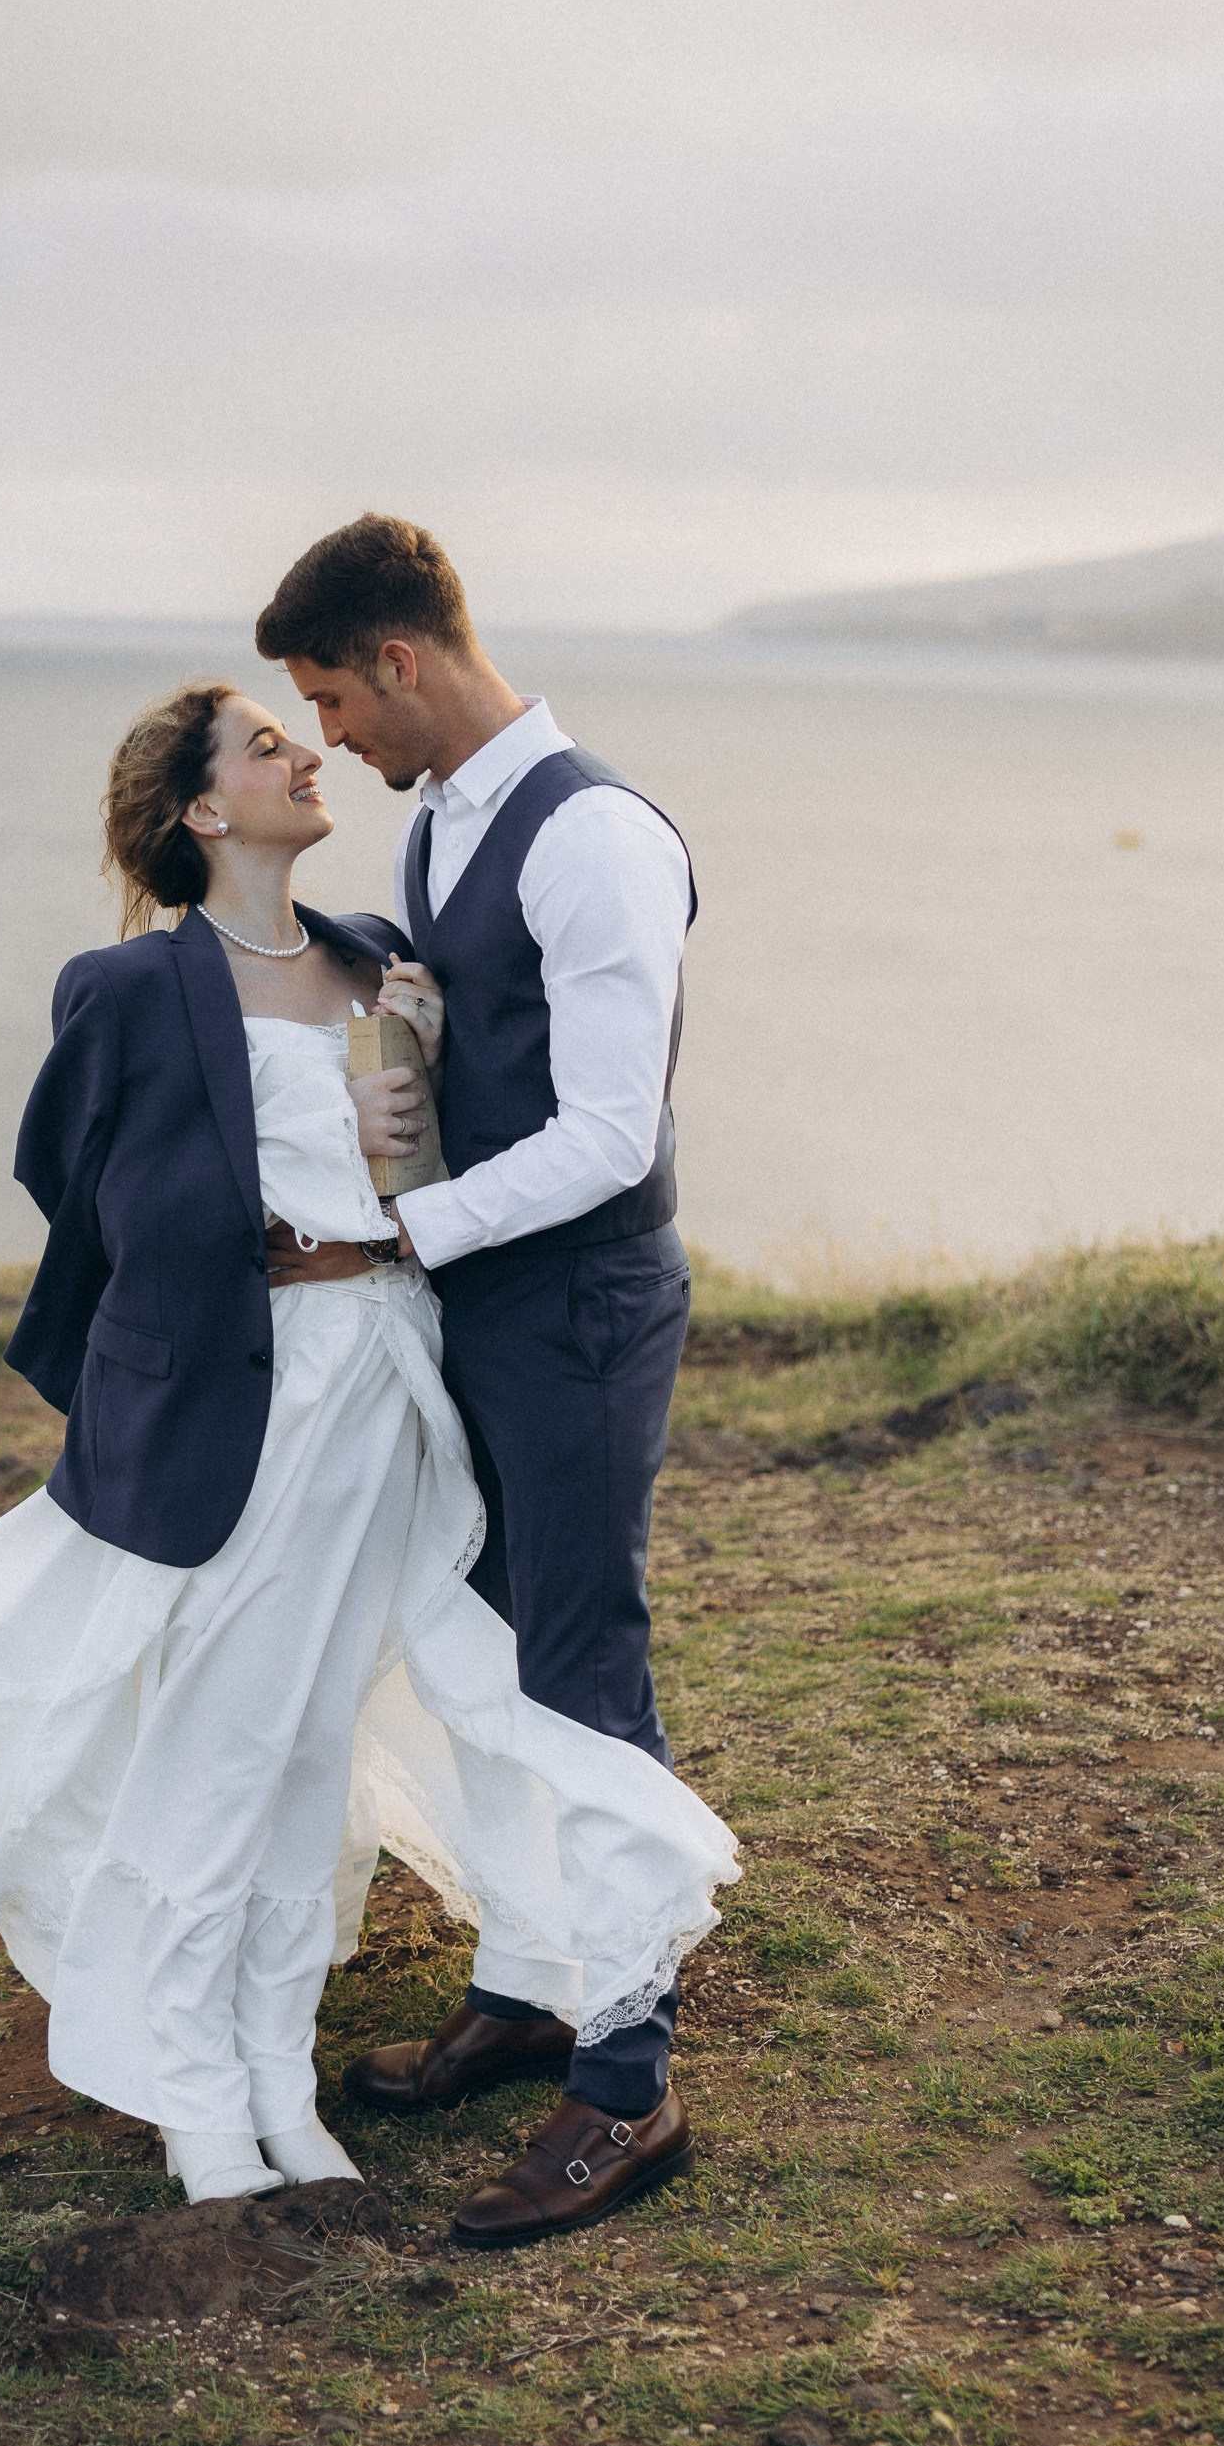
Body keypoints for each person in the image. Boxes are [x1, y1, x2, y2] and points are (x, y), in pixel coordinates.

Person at [0, 679, 733, 2225]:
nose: (307, 753)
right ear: (202, 811)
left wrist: (396, 1158)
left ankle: (277, 2079)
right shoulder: (127, 988)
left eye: (306, 730)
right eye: (266, 744)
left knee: (302, 1759)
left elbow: (412, 1164)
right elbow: (77, 1187)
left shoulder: (378, 960)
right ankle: (191, 2090)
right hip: (248, 1404)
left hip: (390, 1397)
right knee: (220, 1752)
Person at [256, 513, 702, 2244]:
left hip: (580, 1304)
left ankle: (629, 2080)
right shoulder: (445, 818)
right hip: (482, 1302)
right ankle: (529, 1984)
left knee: (583, 1661)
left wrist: (396, 1238)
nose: (331, 741)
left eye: (330, 699)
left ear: (401, 659)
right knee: (491, 1651)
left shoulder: (591, 834)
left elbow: (607, 1132)